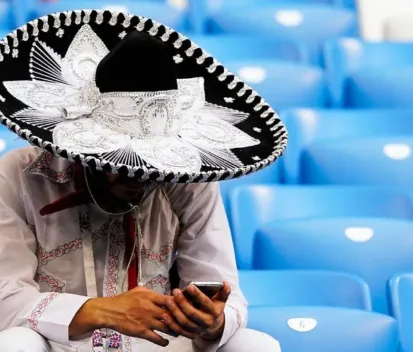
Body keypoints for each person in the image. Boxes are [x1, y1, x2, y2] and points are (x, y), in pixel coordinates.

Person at [0, 8, 287, 352]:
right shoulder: (17, 173)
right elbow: (6, 298)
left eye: (152, 164)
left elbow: (226, 292)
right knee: (16, 343)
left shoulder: (189, 181)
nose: (138, 175)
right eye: (121, 162)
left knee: (255, 345)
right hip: (58, 342)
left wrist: (211, 322)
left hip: (157, 343)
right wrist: (100, 311)